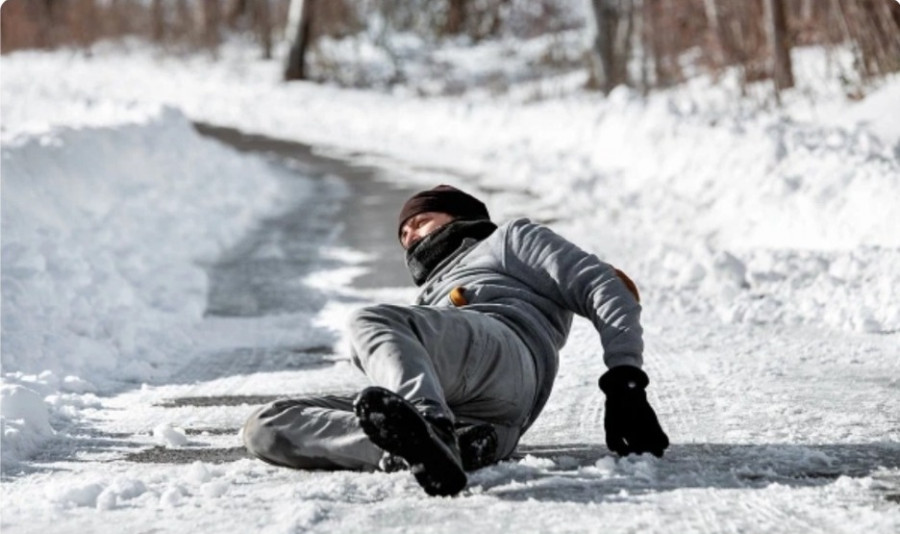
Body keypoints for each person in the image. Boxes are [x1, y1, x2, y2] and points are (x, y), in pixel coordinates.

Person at [242, 184, 669, 496]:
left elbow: (605, 285)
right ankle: (427, 449)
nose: (409, 236)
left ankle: (428, 425)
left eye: (420, 221)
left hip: (506, 351)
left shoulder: (509, 241)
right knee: (266, 426)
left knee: (370, 321)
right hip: (489, 416)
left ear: (460, 216)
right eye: (403, 234)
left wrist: (625, 381)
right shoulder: (428, 295)